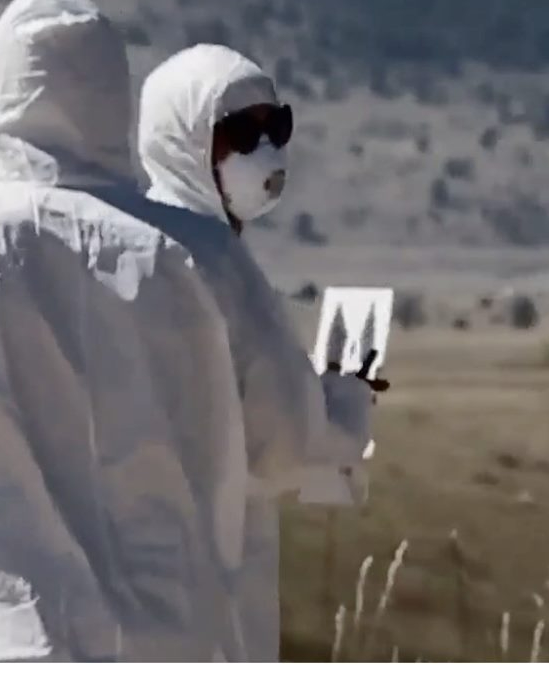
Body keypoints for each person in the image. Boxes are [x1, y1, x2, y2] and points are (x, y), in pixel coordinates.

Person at [0, 0, 373, 662]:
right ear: (115, 95)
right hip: (168, 638)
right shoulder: (204, 255)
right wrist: (345, 401)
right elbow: (285, 446)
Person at [135, 44, 385, 662]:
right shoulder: (218, 264)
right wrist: (346, 400)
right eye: (244, 133)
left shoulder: (124, 245)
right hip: (209, 578)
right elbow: (286, 442)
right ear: (186, 138)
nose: (268, 151)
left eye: (277, 128)